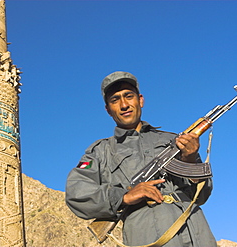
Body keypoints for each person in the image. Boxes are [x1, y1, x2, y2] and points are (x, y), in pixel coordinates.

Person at [65, 71, 217, 246]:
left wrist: (190, 159)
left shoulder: (173, 140)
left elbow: (202, 195)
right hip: (148, 235)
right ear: (108, 110)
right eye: (115, 100)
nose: (124, 105)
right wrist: (124, 196)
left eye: (129, 96)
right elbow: (77, 194)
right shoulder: (100, 151)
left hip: (196, 231)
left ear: (141, 100)